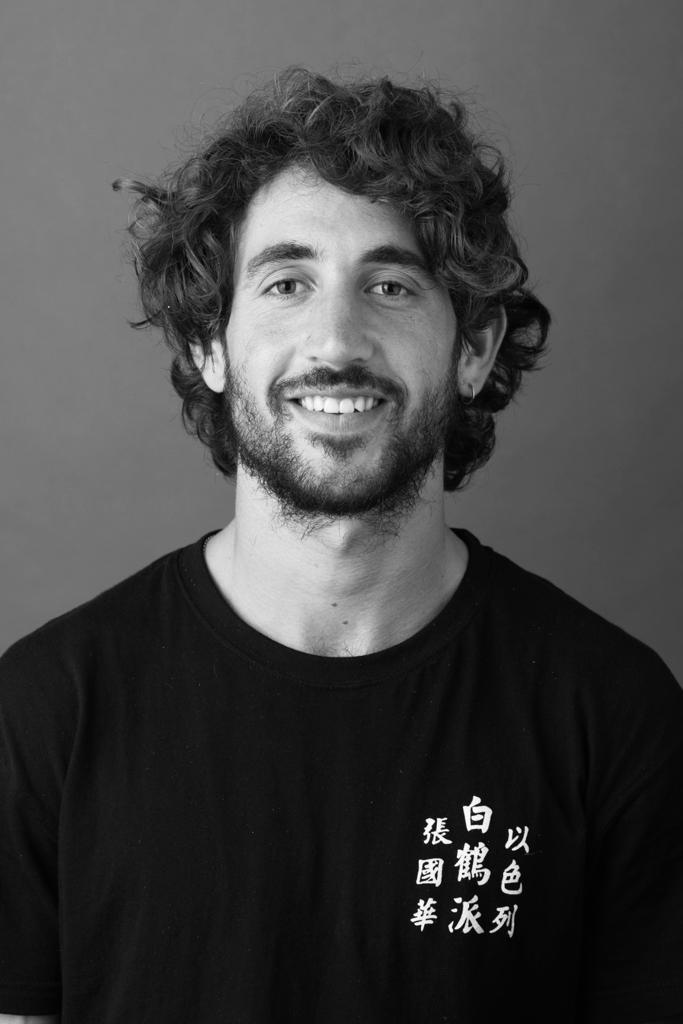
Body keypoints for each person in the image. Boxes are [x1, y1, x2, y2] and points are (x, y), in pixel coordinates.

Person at [0, 68, 681, 1024]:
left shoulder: (612, 713)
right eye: (286, 284)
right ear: (208, 345)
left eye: (390, 285)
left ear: (475, 350)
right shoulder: (44, 714)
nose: (335, 339)